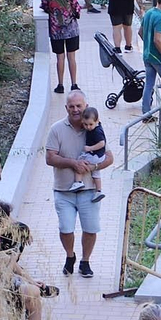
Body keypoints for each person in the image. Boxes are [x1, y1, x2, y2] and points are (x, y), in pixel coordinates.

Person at [45, 90, 112, 277]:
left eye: (79, 106)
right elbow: (50, 158)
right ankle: (70, 256)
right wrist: (73, 163)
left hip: (89, 191)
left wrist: (91, 167)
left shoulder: (94, 127)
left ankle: (85, 261)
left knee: (90, 229)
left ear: (86, 106)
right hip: (64, 190)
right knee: (65, 228)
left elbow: (109, 158)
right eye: (71, 106)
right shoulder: (56, 129)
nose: (75, 110)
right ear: (66, 108)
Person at [0, 222, 58, 320]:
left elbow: (18, 270)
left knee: (33, 293)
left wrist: (32, 281)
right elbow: (3, 279)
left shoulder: (5, 253)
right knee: (31, 293)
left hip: (11, 285)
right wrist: (12, 259)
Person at [42, 0, 82, 94]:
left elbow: (45, 7)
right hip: (71, 30)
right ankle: (74, 84)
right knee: (71, 57)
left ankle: (60, 85)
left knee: (60, 57)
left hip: (56, 31)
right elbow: (77, 8)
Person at [66, 105, 107, 202]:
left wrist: (90, 148)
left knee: (80, 162)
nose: (88, 127)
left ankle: (78, 181)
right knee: (96, 173)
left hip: (95, 155)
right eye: (85, 124)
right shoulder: (96, 127)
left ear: (97, 121)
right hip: (99, 156)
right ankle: (99, 191)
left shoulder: (97, 131)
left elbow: (102, 143)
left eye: (90, 124)